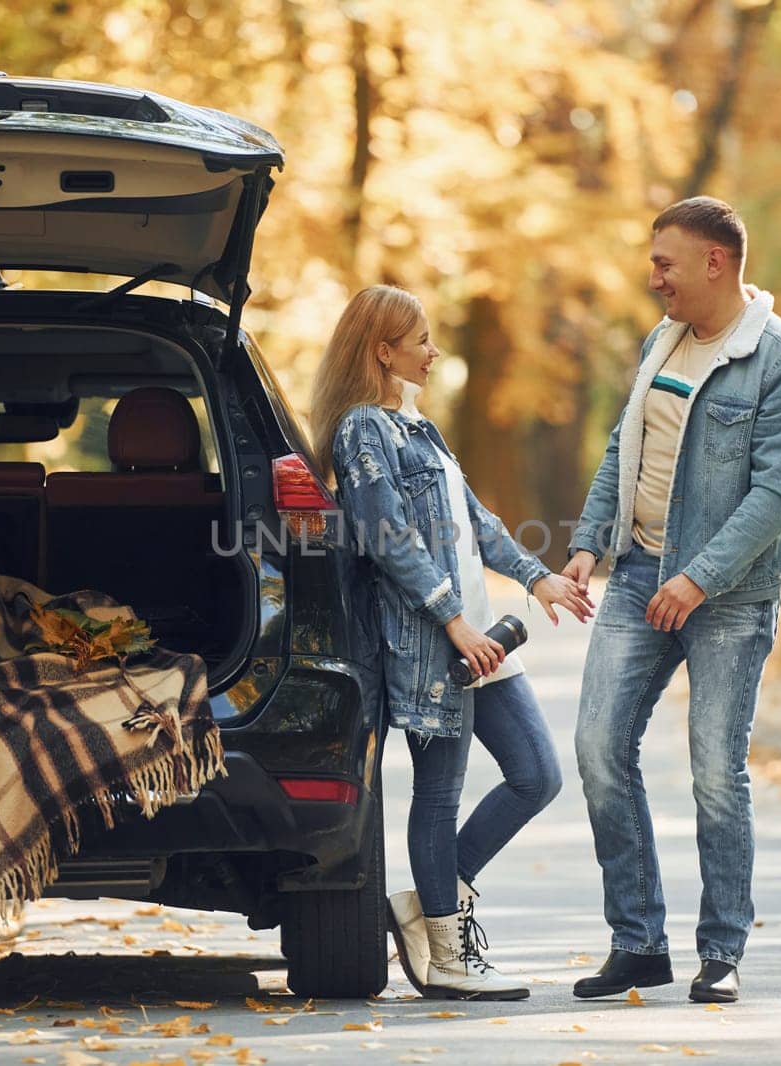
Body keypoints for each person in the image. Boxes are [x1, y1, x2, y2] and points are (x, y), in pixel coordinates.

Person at [563, 197, 781, 1004]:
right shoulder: (661, 341)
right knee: (599, 750)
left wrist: (698, 576)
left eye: (665, 264)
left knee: (716, 770)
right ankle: (638, 942)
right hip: (639, 575)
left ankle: (722, 951)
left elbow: (776, 497)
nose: (653, 279)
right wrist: (586, 541)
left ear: (716, 262)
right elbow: (623, 444)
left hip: (730, 597)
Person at [309, 285, 596, 1000]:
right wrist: (452, 621)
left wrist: (539, 580)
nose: (433, 352)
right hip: (436, 641)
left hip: (479, 636)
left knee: (537, 773)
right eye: (421, 340)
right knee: (439, 795)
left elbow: (478, 523)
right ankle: (447, 953)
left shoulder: (419, 431)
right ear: (384, 350)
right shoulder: (361, 430)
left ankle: (424, 904)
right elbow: (390, 542)